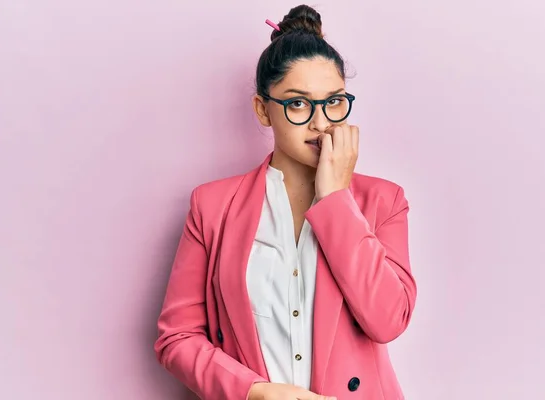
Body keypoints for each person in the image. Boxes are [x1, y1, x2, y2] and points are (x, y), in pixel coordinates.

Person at [154, 4, 417, 400]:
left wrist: (336, 200)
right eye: (297, 103)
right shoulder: (212, 206)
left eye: (334, 101)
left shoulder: (383, 200)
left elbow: (388, 321)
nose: (320, 122)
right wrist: (257, 392)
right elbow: (177, 337)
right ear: (263, 110)